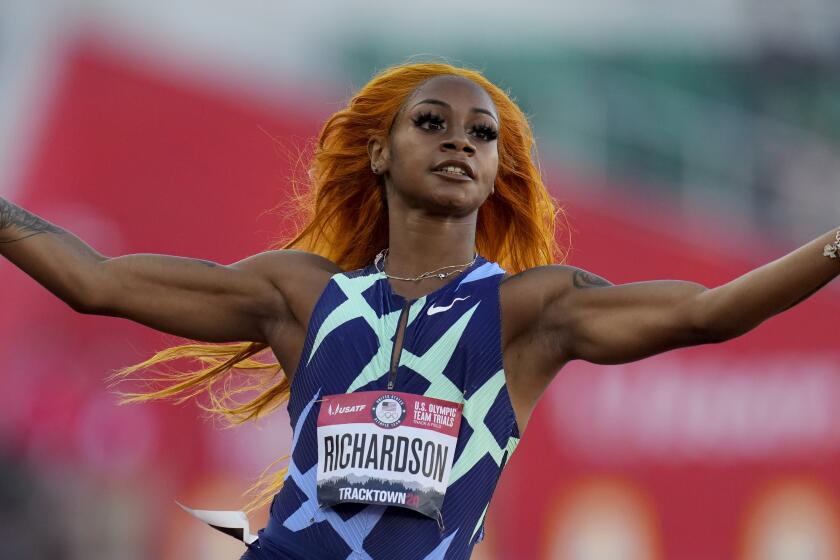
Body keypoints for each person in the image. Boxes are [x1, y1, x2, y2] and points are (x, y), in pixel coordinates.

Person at [1, 62, 838, 560]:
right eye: (432, 123)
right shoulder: (303, 296)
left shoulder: (528, 312)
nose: (459, 143)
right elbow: (97, 281)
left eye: (482, 135)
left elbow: (712, 314)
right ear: (377, 151)